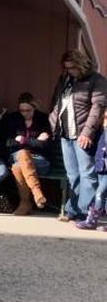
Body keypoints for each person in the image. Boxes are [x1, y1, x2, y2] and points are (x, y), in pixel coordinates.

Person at [48, 49, 106, 222]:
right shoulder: (65, 79)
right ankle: (73, 210)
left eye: (73, 67)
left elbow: (98, 108)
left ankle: (86, 212)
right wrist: (53, 120)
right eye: (67, 68)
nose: (70, 71)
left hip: (83, 133)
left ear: (81, 64)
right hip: (66, 133)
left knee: (87, 173)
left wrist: (87, 133)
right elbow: (56, 101)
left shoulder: (96, 81)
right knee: (72, 174)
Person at [0, 92, 53, 215]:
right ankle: (36, 192)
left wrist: (23, 140)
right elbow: (6, 142)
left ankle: (25, 203)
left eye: (28, 110)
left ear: (34, 107)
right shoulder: (12, 118)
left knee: (19, 163)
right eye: (22, 110)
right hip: (18, 157)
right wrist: (35, 141)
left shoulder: (43, 120)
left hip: (40, 160)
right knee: (22, 156)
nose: (25, 113)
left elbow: (45, 144)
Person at [74, 114, 107, 230]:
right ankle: (92, 219)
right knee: (102, 194)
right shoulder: (102, 134)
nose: (105, 122)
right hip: (102, 170)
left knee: (100, 193)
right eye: (105, 119)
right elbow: (97, 150)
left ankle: (92, 220)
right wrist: (87, 147)